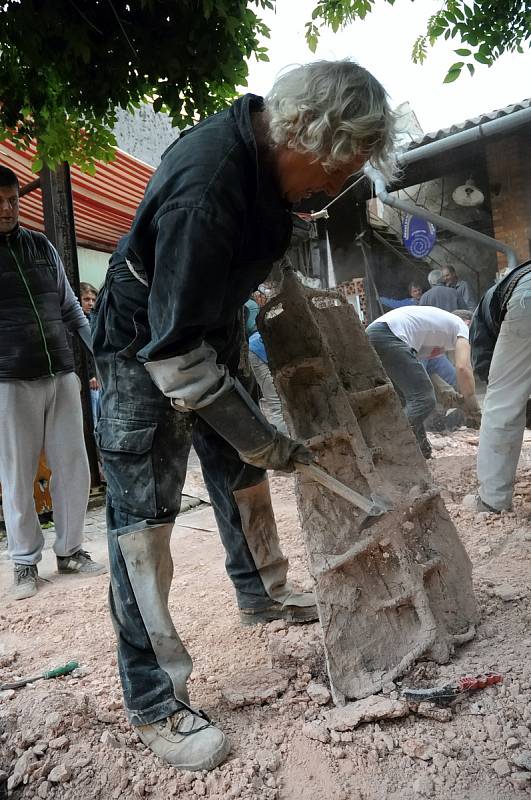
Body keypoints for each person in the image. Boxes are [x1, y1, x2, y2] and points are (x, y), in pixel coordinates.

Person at [92, 59, 395, 772]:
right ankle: (154, 698)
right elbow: (173, 353)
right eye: (337, 167)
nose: (336, 186)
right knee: (144, 522)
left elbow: (247, 264)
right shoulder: (206, 190)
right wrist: (261, 437)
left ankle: (261, 591)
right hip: (147, 346)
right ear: (305, 135)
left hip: (208, 323)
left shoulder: (269, 161)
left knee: (240, 473)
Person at [0, 166, 106, 601]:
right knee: (17, 473)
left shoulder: (42, 245)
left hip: (61, 371)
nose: (7, 208)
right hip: (9, 378)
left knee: (74, 465)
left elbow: (69, 307)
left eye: (12, 200)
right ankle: (25, 562)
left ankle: (71, 549)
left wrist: (98, 351)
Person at [366, 306, 479, 459]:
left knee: (411, 400)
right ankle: (388, 444)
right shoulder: (461, 326)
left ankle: (423, 452)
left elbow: (421, 367)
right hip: (389, 334)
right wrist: (472, 406)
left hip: (377, 333)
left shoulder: (436, 332)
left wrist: (446, 392)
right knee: (423, 400)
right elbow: (463, 368)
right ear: (468, 323)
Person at [470, 260, 531, 512]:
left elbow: (488, 373)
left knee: (502, 401)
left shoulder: (477, 324)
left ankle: (491, 501)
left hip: (527, 300)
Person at [79, 281, 101, 425]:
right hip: (88, 379)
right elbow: (86, 351)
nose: (91, 303)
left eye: (93, 300)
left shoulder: (95, 320)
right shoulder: (78, 323)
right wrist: (92, 374)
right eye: (86, 299)